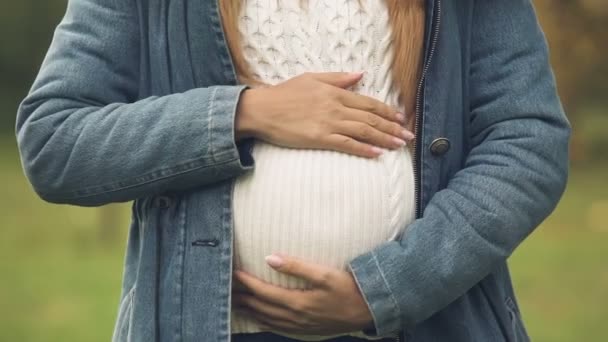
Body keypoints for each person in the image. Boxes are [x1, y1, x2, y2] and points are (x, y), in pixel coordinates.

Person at [15, 0, 570, 341]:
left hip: (427, 324)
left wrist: (385, 290)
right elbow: (55, 140)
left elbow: (528, 140)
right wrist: (245, 113)